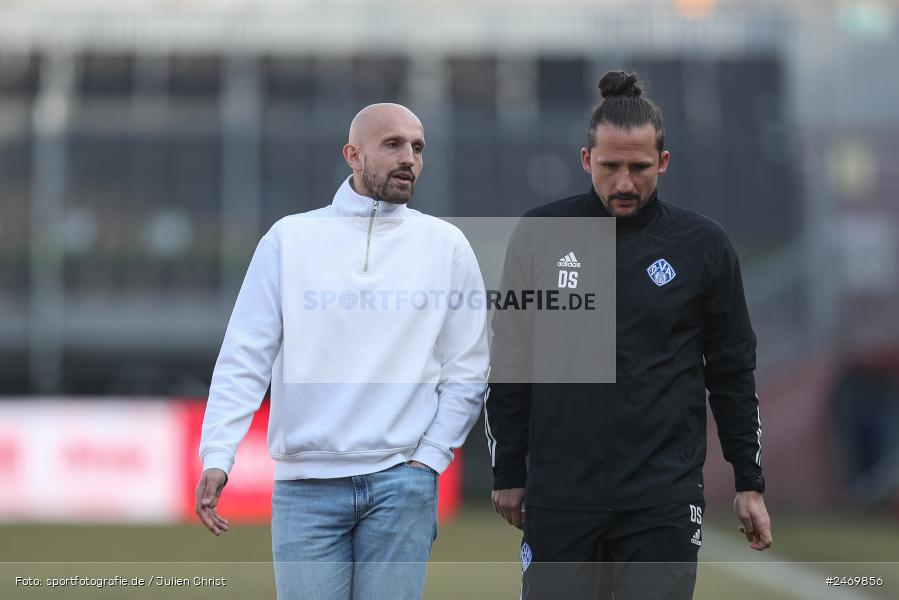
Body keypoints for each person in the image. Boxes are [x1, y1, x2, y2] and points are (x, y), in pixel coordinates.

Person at [486, 71, 772, 599]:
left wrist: (749, 481)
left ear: (662, 162)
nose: (623, 183)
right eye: (609, 166)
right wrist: (508, 469)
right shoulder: (540, 234)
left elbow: (732, 370)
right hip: (561, 497)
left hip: (662, 497)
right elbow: (510, 359)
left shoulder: (703, 245)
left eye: (639, 168)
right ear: (584, 160)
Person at [195, 103, 489, 600]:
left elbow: (469, 366)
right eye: (392, 144)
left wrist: (430, 459)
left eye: (417, 148)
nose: (409, 159)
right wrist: (217, 454)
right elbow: (245, 356)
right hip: (305, 489)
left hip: (402, 486)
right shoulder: (289, 238)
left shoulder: (447, 245)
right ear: (352, 155)